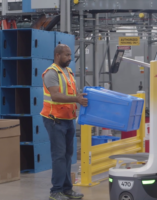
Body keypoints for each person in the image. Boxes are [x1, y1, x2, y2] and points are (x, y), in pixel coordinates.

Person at [40, 44, 88, 200]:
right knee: (59, 156)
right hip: (55, 120)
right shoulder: (51, 73)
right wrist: (76, 99)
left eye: (70, 55)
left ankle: (67, 189)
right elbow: (55, 96)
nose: (70, 58)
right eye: (67, 55)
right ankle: (56, 191)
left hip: (68, 119)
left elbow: (71, 94)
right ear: (57, 55)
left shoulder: (68, 72)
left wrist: (80, 97)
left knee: (68, 156)